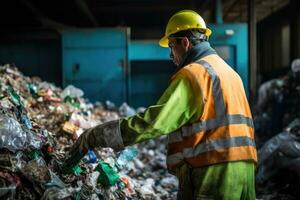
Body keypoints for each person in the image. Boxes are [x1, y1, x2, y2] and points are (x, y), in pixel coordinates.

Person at [64, 10, 257, 200]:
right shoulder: (230, 73)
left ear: (185, 42)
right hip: (245, 169)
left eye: (171, 46)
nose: (171, 55)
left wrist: (99, 135)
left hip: (213, 171)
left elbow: (155, 122)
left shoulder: (193, 74)